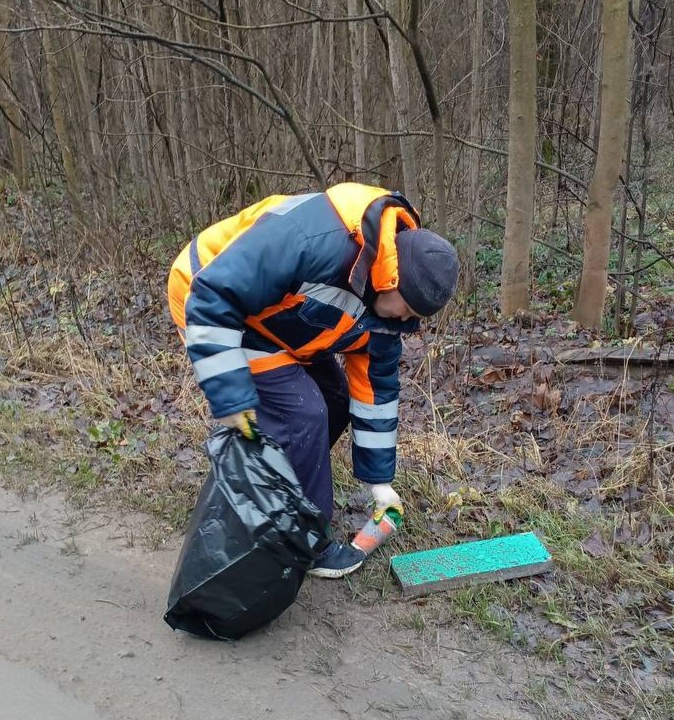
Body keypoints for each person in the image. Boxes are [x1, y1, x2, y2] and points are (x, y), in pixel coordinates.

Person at [168, 183, 459, 578]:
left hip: (281, 319)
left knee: (335, 399)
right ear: (390, 280)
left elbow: (375, 394)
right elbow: (215, 293)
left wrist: (380, 483)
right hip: (209, 295)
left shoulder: (390, 312)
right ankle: (310, 545)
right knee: (302, 413)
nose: (404, 322)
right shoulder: (313, 239)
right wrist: (232, 397)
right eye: (405, 309)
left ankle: (277, 496)